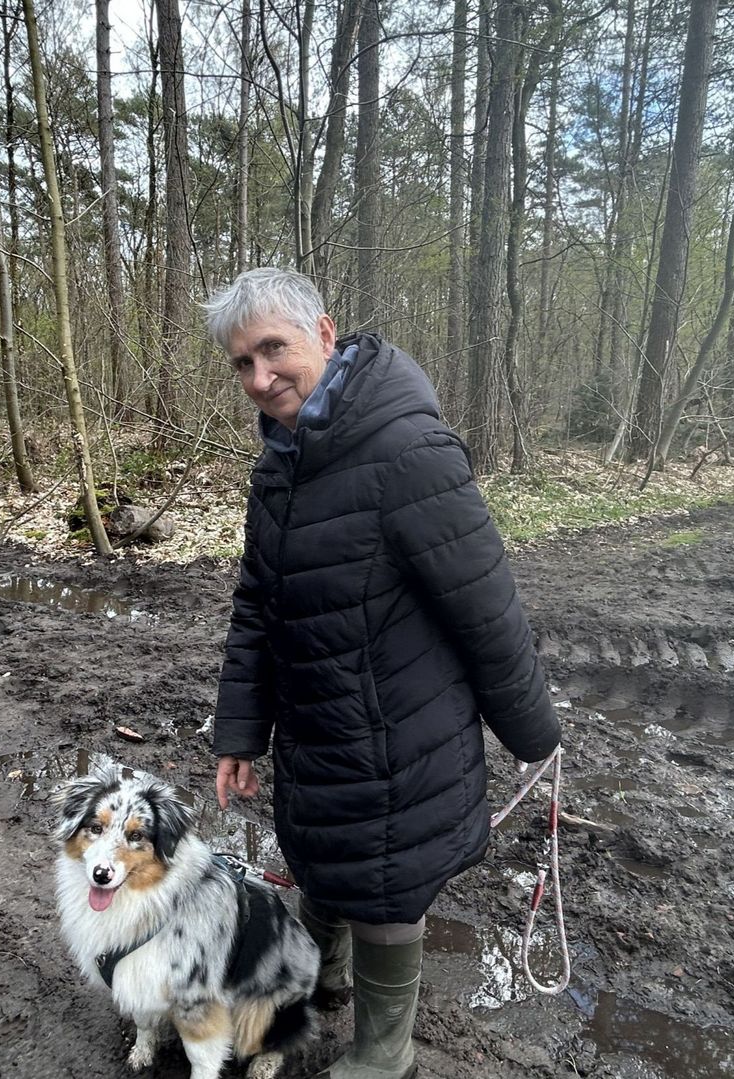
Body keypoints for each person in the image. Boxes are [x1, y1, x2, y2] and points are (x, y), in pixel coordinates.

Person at [205, 268, 560, 1079]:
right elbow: (257, 603)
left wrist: (534, 735)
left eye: (274, 350)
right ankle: (316, 977)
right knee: (319, 852)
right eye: (241, 364)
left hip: (402, 737)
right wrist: (239, 730)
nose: (260, 379)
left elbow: (486, 605)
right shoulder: (278, 467)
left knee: (387, 887)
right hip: (316, 729)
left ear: (323, 335)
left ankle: (382, 1052)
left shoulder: (409, 451)